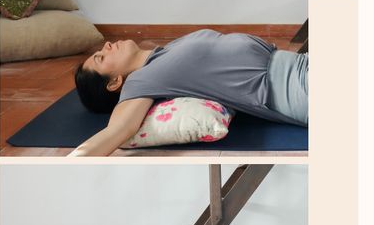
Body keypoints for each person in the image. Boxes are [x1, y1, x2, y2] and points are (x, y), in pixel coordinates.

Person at [72, 31, 308, 156]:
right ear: (114, 83)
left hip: (301, 63)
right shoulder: (139, 82)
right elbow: (119, 130)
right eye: (101, 58)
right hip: (295, 89)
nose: (107, 45)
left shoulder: (165, 52)